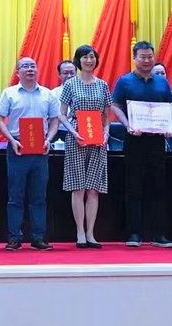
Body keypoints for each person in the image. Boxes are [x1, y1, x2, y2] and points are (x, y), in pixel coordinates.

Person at [111, 40, 172, 248]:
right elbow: (115, 105)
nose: (147, 60)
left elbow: (170, 106)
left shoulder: (162, 82)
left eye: (150, 57)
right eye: (142, 57)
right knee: (134, 187)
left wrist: (171, 126)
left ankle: (159, 234)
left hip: (157, 140)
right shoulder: (125, 81)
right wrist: (127, 124)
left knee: (158, 186)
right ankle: (134, 233)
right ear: (134, 58)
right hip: (134, 139)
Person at [0, 56, 60, 251]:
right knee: (15, 195)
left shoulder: (47, 94)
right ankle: (14, 237)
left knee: (38, 196)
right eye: (25, 66)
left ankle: (38, 237)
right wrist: (11, 140)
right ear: (18, 72)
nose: (30, 69)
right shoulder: (9, 93)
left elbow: (55, 120)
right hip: (18, 147)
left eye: (33, 66)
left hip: (41, 148)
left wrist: (49, 139)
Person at [59, 45, 111, 248]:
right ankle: (80, 232)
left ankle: (91, 233)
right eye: (85, 57)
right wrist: (73, 132)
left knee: (93, 188)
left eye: (92, 57)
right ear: (78, 61)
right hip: (77, 138)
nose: (89, 61)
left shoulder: (103, 85)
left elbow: (106, 117)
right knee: (78, 187)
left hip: (98, 139)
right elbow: (62, 114)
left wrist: (106, 133)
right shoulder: (70, 84)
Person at [50, 60, 77, 143]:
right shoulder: (53, 94)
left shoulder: (84, 92)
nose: (69, 76)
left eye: (72, 73)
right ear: (59, 75)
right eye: (65, 73)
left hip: (81, 131)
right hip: (59, 132)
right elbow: (53, 117)